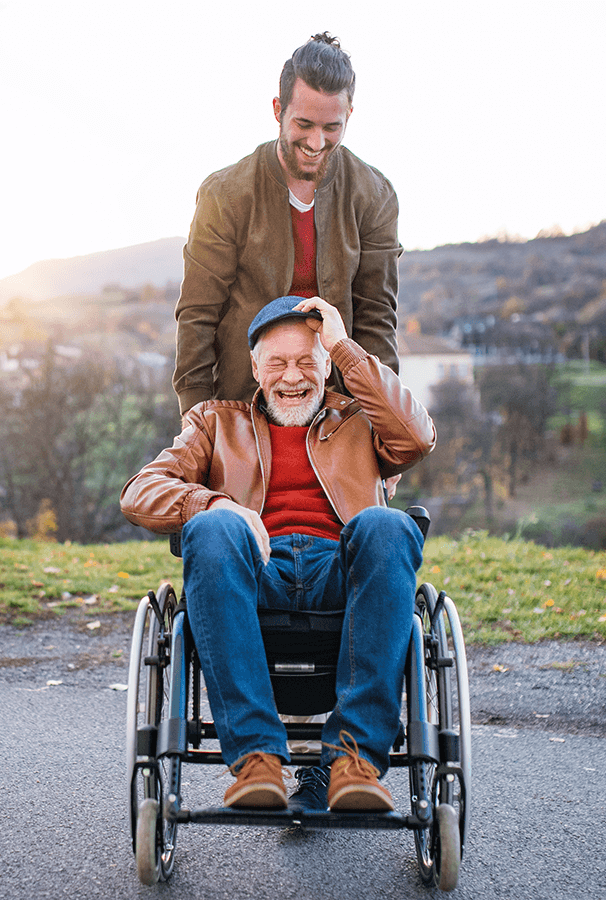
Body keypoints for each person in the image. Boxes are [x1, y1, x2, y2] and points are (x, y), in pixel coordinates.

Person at [122, 295, 434, 812]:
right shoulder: (215, 423)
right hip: (254, 570)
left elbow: (418, 438)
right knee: (212, 528)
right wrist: (215, 502)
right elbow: (140, 491)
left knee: (387, 523)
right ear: (254, 367)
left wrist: (342, 346)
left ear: (327, 364)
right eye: (278, 363)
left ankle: (353, 760)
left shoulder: (359, 417)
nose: (293, 377)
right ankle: (256, 760)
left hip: (342, 569)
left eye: (308, 361)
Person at [172, 32, 402, 417]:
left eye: (332, 127)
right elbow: (198, 315)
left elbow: (377, 319)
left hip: (338, 413)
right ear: (278, 109)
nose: (316, 142)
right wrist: (197, 422)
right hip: (244, 408)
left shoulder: (374, 195)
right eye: (304, 123)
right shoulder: (224, 194)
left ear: (349, 116)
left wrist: (385, 424)